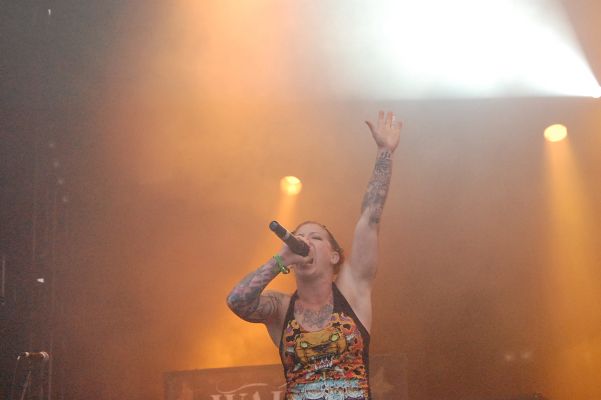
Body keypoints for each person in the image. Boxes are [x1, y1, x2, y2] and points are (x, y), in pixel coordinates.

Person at [226, 111, 402, 400]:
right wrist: (280, 259)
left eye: (316, 237)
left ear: (334, 256)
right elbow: (237, 302)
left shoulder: (353, 290)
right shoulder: (281, 308)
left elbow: (370, 218)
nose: (305, 242)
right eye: (301, 237)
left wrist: (385, 151)